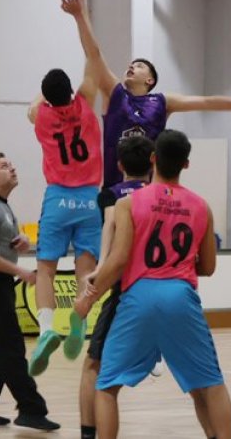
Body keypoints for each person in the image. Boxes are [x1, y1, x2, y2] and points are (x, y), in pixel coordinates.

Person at [80, 130, 231, 439]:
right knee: (210, 384)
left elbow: (118, 260)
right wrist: (178, 264)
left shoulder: (128, 204)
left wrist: (89, 298)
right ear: (185, 164)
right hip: (180, 296)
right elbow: (208, 267)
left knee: (107, 386)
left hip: (139, 296)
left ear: (153, 159)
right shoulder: (201, 206)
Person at [60, 0, 231, 187]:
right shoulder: (114, 94)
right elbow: (93, 54)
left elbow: (207, 102)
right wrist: (80, 11)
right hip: (114, 190)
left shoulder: (162, 102)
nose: (131, 67)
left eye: (139, 66)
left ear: (150, 80)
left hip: (149, 193)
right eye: (131, 65)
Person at [0, 152, 59, 431]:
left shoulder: (3, 206)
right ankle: (32, 408)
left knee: (3, 348)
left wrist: (20, 241)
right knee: (10, 348)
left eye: (11, 165)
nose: (12, 169)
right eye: (4, 166)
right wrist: (21, 271)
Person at [73, 135, 153, 439]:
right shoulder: (161, 195)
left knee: (94, 366)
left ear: (119, 165)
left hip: (127, 290)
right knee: (203, 381)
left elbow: (110, 224)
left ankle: (88, 433)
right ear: (153, 163)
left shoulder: (113, 197)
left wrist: (100, 268)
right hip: (170, 288)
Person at [26, 66, 103, 374]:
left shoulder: (42, 117)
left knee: (46, 269)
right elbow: (92, 69)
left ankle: (46, 329)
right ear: (71, 90)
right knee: (85, 269)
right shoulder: (85, 105)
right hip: (89, 199)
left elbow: (32, 108)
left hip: (58, 198)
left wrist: (44, 93)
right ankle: (79, 319)